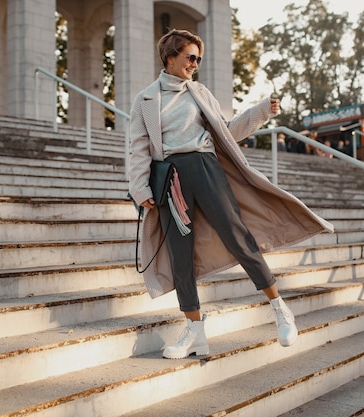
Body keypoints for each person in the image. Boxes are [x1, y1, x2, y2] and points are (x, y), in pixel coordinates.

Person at [127, 29, 334, 359]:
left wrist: (261, 111)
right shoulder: (146, 99)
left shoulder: (200, 93)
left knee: (237, 236)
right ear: (170, 57)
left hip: (207, 169)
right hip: (171, 181)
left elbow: (227, 132)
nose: (195, 63)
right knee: (181, 255)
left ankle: (280, 308)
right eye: (190, 57)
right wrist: (139, 189)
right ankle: (195, 331)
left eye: (199, 58)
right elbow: (138, 148)